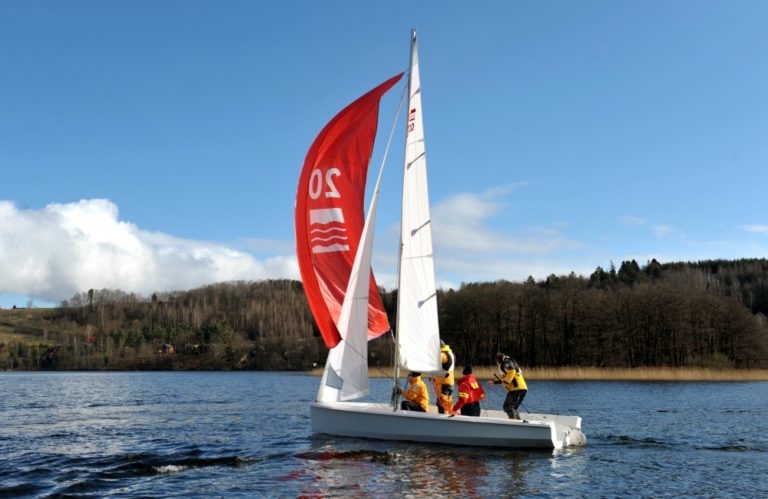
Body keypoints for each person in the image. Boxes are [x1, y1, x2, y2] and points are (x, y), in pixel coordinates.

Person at [489, 352, 527, 419]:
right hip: (521, 388)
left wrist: (506, 382)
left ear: (498, 360)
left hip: (516, 389)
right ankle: (517, 421)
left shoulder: (506, 362)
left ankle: (513, 421)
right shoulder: (507, 362)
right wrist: (494, 382)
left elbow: (512, 372)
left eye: (496, 361)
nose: (496, 363)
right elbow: (506, 377)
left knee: (507, 406)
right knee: (513, 408)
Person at [432, 340, 455, 414]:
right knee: (448, 401)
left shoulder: (443, 354)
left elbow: (435, 361)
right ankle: (449, 415)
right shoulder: (451, 353)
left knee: (441, 402)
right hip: (449, 382)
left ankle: (443, 417)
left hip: (443, 383)